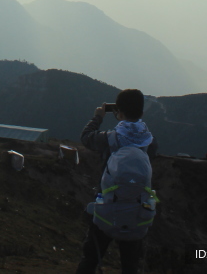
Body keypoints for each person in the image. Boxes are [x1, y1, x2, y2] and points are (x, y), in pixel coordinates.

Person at [76, 89, 158, 274]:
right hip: (137, 212)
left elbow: (86, 137)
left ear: (118, 113)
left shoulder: (109, 138)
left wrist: (98, 117)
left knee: (90, 259)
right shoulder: (150, 142)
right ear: (142, 113)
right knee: (130, 266)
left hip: (107, 207)